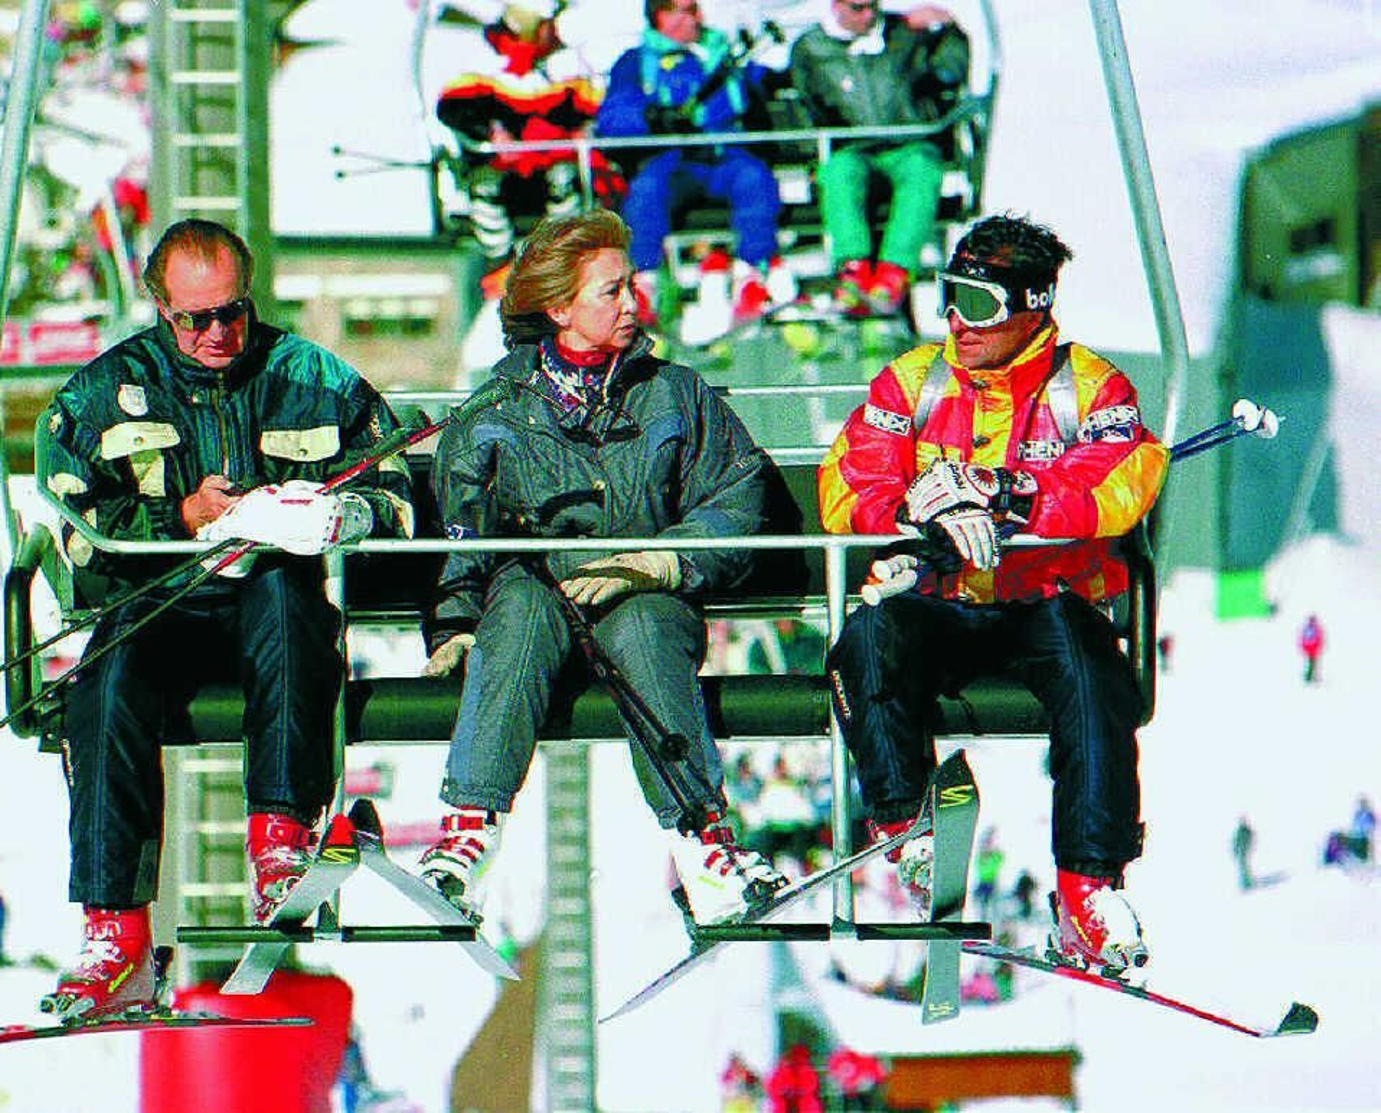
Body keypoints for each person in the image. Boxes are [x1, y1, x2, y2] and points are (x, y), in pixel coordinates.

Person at [38, 218, 414, 1020]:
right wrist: (178, 516)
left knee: (286, 600)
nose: (217, 333)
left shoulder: (311, 379)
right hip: (162, 596)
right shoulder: (103, 395)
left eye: (231, 313)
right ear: (161, 309)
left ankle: (280, 841)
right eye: (195, 319)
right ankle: (116, 933)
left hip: (270, 597)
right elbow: (76, 525)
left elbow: (395, 485)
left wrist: (341, 515)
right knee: (104, 682)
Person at [818, 214, 1169, 973]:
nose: (956, 320)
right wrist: (915, 512)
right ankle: (904, 825)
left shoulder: (1089, 388)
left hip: (1044, 600)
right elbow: (848, 478)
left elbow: (1115, 483)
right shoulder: (914, 381)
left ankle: (1087, 887)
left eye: (977, 304)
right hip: (936, 599)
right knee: (866, 640)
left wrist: (1009, 492)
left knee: (1092, 673)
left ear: (1032, 305)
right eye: (947, 297)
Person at [416, 208, 786, 925]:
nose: (631, 304)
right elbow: (463, 532)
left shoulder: (674, 393)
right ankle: (469, 834)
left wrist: (662, 559)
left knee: (647, 629)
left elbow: (737, 496)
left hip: (642, 591)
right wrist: (455, 624)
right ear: (559, 309)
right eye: (611, 291)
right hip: (540, 589)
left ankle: (703, 842)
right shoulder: (496, 412)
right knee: (519, 609)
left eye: (630, 287)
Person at [595, 0, 788, 328]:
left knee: (755, 178)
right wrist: (652, 117)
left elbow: (764, 85)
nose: (696, 18)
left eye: (695, 9)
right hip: (671, 160)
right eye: (685, 10)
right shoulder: (637, 63)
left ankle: (753, 275)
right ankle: (644, 283)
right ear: (661, 16)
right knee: (646, 190)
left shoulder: (723, 56)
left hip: (725, 156)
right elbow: (613, 116)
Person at [788, 0, 968, 317]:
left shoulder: (903, 33)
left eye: (873, 6)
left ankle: (894, 271)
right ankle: (852, 268)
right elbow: (805, 104)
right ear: (837, 6)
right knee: (838, 172)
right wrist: (813, 149)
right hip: (853, 147)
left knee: (922, 169)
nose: (869, 15)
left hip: (907, 142)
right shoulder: (812, 48)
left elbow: (950, 71)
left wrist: (948, 28)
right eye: (858, 8)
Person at [434, 2, 624, 301]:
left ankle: (558, 264)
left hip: (550, 166)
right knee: (485, 187)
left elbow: (588, 109)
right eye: (549, 24)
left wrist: (581, 130)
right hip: (501, 169)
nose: (555, 30)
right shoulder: (484, 65)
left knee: (565, 179)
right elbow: (453, 109)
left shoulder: (564, 65)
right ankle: (500, 267)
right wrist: (490, 133)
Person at [1298, 613, 1324, 684]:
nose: (1312, 622)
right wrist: (1304, 647)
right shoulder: (1310, 629)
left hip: (1313, 648)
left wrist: (1318, 647)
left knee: (1312, 662)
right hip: (1310, 648)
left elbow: (1319, 639)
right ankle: (1309, 677)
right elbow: (1304, 639)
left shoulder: (1314, 629)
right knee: (1311, 662)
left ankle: (1311, 676)